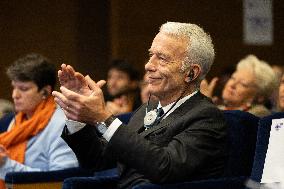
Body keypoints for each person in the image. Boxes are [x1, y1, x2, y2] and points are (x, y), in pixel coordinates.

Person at [52, 22, 228, 188]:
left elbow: (164, 168)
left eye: (162, 58)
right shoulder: (148, 109)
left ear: (191, 73)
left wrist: (103, 118)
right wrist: (76, 114)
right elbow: (97, 160)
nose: (148, 66)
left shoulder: (207, 117)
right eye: (151, 55)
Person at [0, 53, 78, 188]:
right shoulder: (17, 121)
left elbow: (61, 180)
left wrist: (4, 164)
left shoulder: (61, 124)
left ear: (45, 92)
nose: (14, 95)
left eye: (23, 89)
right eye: (14, 87)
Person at [202, 55, 278, 117]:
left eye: (243, 84)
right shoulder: (219, 108)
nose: (232, 85)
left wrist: (206, 105)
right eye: (233, 78)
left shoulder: (259, 114)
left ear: (260, 96)